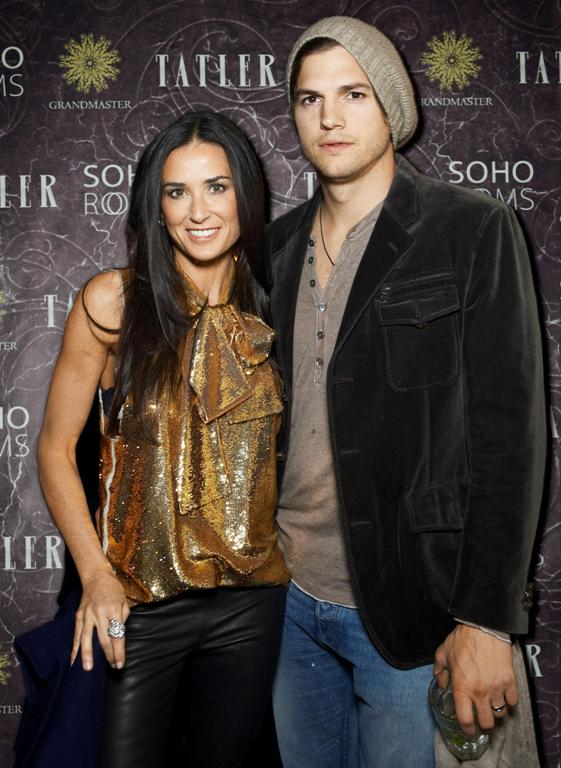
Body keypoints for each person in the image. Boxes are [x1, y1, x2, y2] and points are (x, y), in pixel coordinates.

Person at [264, 16, 546, 768]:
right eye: (309, 98)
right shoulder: (273, 247)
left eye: (353, 94)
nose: (329, 117)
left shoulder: (472, 229)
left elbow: (509, 436)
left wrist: (485, 619)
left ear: (391, 106)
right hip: (284, 600)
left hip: (413, 604)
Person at [34, 111, 289, 768]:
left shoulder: (279, 302)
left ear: (245, 195)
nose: (198, 211)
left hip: (251, 605)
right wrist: (95, 576)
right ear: (156, 205)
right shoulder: (112, 303)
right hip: (138, 603)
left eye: (216, 187)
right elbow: (56, 449)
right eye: (177, 192)